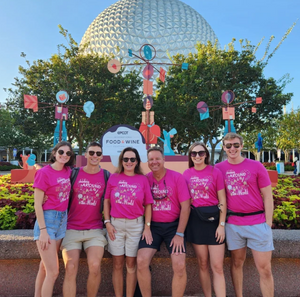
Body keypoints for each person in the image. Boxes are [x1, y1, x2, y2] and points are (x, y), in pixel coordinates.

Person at [215, 132, 274, 297]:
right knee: (236, 264)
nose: (232, 148)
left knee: (265, 269)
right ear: (224, 148)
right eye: (228, 146)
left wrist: (268, 223)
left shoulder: (256, 166)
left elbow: (268, 196)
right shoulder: (219, 169)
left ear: (241, 146)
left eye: (235, 145)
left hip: (258, 222)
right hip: (233, 224)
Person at [137, 146, 191, 297]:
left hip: (174, 226)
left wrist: (179, 233)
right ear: (147, 162)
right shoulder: (145, 179)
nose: (154, 162)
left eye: (157, 159)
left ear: (164, 160)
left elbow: (186, 207)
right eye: (151, 159)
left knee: (179, 265)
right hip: (152, 227)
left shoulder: (177, 177)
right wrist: (146, 227)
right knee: (141, 261)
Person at [61, 142, 110, 297]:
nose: (94, 156)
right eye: (91, 152)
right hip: (71, 228)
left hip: (94, 229)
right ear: (85, 155)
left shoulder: (106, 176)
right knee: (70, 267)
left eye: (98, 153)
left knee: (95, 266)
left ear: (101, 156)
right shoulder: (74, 173)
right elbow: (56, 182)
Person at [104, 147, 153, 297]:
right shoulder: (114, 177)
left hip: (136, 226)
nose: (129, 162)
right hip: (115, 226)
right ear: (121, 161)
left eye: (132, 159)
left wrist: (147, 227)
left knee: (131, 265)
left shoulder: (142, 179)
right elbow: (106, 201)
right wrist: (107, 222)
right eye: (126, 159)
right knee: (117, 265)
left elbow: (148, 204)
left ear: (137, 161)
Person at [183, 142, 227, 297]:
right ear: (190, 156)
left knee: (217, 266)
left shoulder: (215, 172)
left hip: (214, 221)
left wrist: (221, 225)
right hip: (196, 221)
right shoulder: (186, 174)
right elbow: (185, 201)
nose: (197, 156)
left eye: (201, 153)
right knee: (202, 264)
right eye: (194, 154)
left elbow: (222, 200)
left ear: (206, 155)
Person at [33, 141, 74, 297]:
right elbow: (37, 204)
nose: (64, 155)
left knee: (44, 267)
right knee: (53, 272)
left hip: (62, 221)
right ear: (55, 153)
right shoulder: (44, 173)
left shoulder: (68, 171)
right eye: (61, 152)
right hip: (48, 221)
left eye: (68, 153)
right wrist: (43, 231)